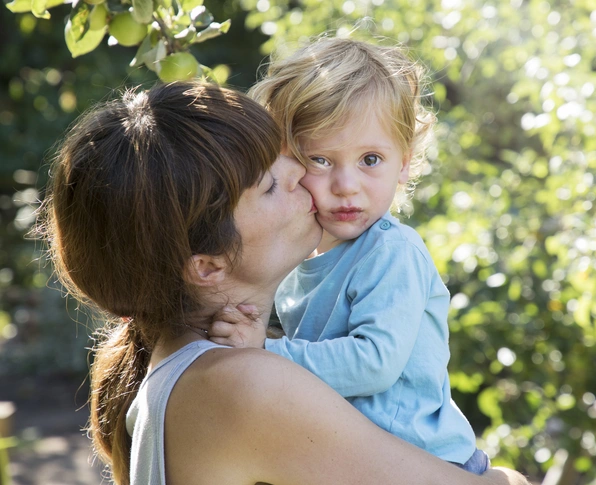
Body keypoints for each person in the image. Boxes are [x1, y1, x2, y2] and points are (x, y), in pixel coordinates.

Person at [38, 81, 529, 485]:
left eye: (284, 156)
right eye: (269, 184)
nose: (300, 171)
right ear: (207, 266)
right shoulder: (247, 385)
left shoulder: (186, 370)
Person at [207, 37, 489, 473]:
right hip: (361, 461)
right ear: (288, 162)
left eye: (370, 159)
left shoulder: (392, 252)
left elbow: (373, 363)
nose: (345, 185)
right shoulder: (299, 261)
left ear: (405, 164)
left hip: (428, 463)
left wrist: (263, 351)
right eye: (320, 160)